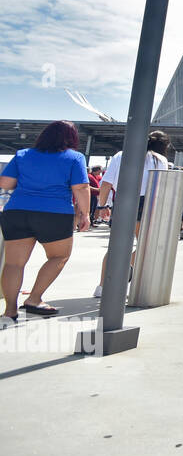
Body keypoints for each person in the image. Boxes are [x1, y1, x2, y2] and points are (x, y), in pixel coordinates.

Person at [0, 121, 91, 321]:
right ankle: (34, 298)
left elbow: (5, 183)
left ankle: (10, 310)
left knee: (14, 264)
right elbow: (81, 188)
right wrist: (85, 214)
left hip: (17, 211)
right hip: (55, 213)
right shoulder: (74, 157)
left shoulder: (23, 154)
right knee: (58, 257)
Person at [96, 129, 171, 297]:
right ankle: (124, 274)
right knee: (145, 245)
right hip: (147, 202)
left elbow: (106, 182)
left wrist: (102, 206)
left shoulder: (121, 155)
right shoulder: (161, 160)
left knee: (115, 247)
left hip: (122, 199)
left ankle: (102, 286)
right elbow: (161, 185)